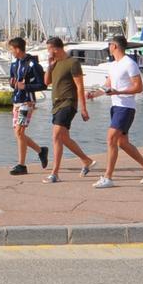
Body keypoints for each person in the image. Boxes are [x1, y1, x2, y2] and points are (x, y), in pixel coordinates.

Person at [90, 36, 143, 188]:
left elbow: (139, 87)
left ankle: (108, 177)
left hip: (126, 107)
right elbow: (107, 85)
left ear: (115, 46)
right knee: (123, 143)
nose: (108, 47)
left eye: (109, 44)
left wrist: (118, 92)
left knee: (111, 139)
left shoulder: (129, 63)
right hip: (115, 107)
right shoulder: (113, 65)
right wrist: (94, 94)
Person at [41, 37, 96, 182]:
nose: (48, 52)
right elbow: (46, 82)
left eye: (48, 49)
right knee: (64, 138)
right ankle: (86, 160)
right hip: (56, 105)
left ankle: (55, 174)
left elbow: (80, 87)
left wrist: (83, 108)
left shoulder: (73, 63)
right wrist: (49, 66)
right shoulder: (55, 63)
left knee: (56, 135)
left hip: (68, 103)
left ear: (55, 48)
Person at [4, 36, 48, 175]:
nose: (11, 51)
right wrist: (13, 84)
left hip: (27, 102)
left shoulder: (33, 65)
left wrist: (26, 86)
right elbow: (13, 81)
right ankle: (41, 151)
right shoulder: (14, 65)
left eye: (11, 49)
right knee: (18, 134)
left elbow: (43, 85)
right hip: (17, 101)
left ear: (17, 49)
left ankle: (22, 165)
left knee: (19, 132)